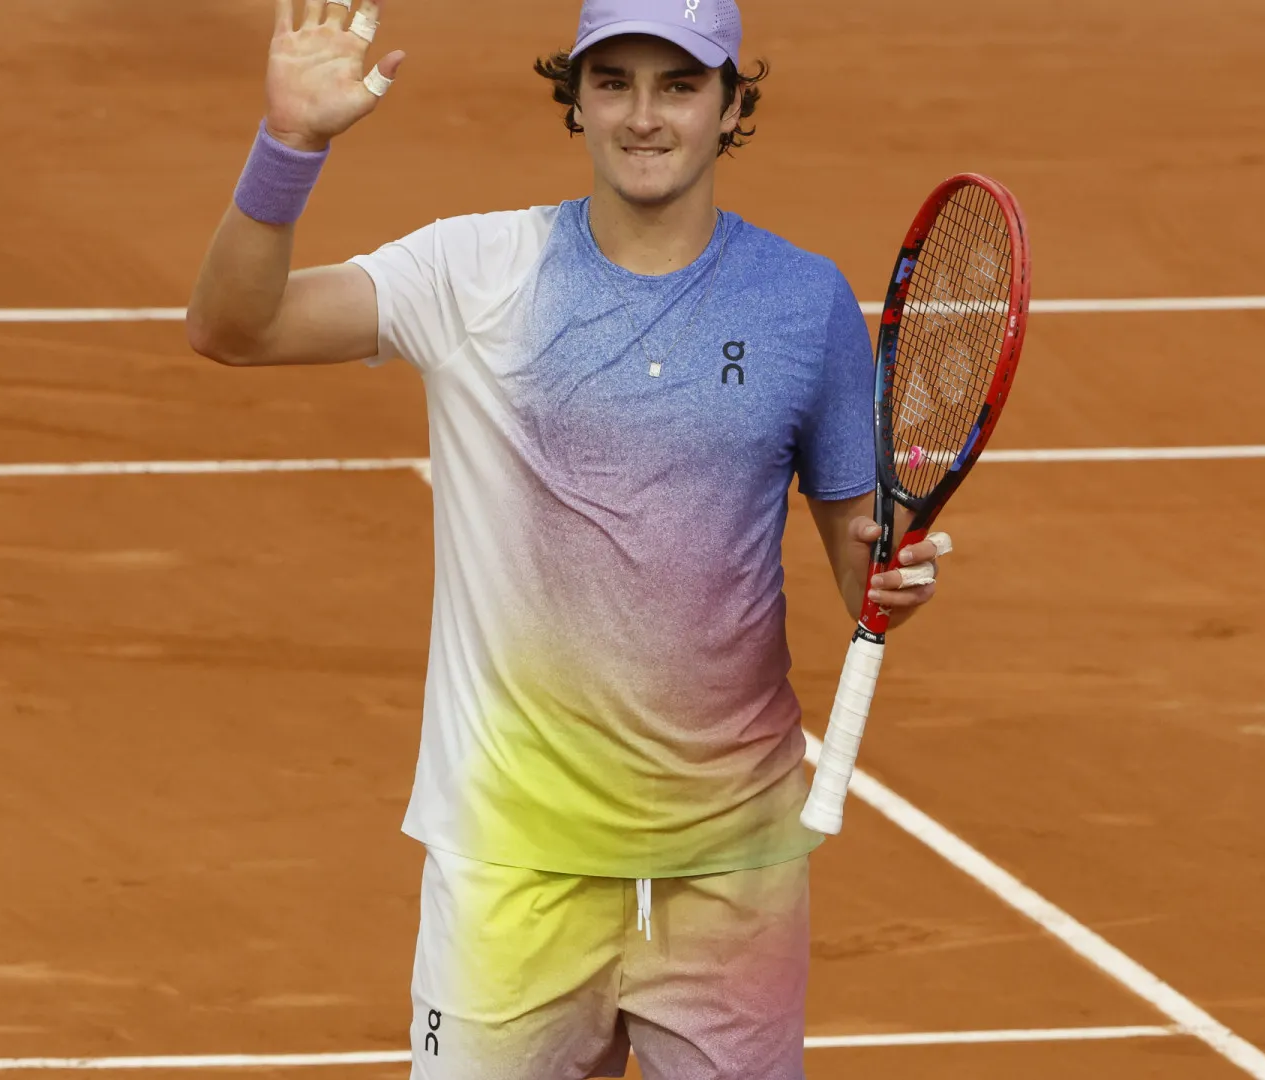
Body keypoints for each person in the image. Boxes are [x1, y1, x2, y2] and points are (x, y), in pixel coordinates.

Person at [187, 0, 954, 1076]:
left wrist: (893, 580)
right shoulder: (475, 273)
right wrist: (289, 145)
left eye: (679, 86)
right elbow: (234, 327)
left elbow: (855, 562)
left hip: (729, 870)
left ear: (731, 104)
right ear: (577, 100)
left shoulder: (804, 302)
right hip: (512, 869)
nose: (644, 117)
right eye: (614, 83)